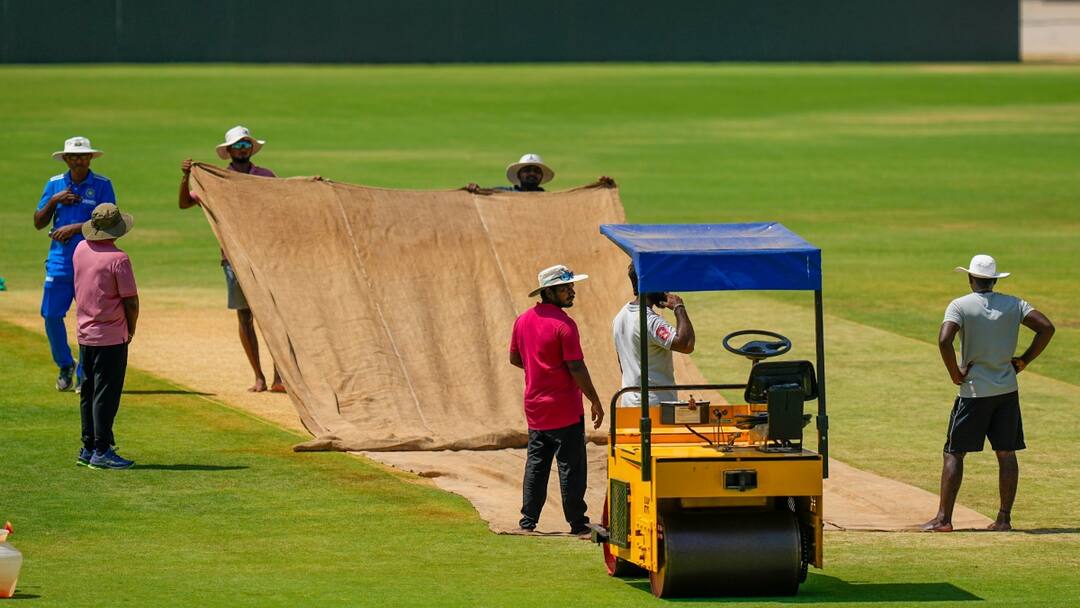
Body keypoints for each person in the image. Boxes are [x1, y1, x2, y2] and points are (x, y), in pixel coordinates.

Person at [923, 255, 1054, 532]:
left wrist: (954, 373)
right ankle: (1004, 519)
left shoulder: (959, 305)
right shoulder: (1015, 304)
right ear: (994, 280)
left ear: (970, 279)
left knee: (954, 453)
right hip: (1007, 390)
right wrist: (1025, 360)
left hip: (973, 392)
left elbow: (945, 339)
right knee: (1006, 453)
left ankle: (944, 520)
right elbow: (1046, 327)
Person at [179, 126, 285, 393]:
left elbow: (284, 204)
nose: (242, 149)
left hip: (264, 256)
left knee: (273, 317)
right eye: (237, 146)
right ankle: (259, 376)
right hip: (232, 257)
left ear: (251, 148)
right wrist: (185, 177)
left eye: (246, 145)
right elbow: (184, 203)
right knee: (245, 316)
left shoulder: (265, 176)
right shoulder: (216, 179)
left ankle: (280, 378)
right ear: (228, 151)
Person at [509, 264, 605, 535]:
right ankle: (577, 523)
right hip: (565, 409)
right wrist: (595, 400)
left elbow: (515, 358)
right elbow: (576, 367)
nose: (572, 292)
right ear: (549, 292)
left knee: (536, 465)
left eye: (572, 287)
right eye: (566, 288)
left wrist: (540, 370)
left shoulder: (523, 320)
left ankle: (528, 522)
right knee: (571, 467)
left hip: (535, 408)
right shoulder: (565, 325)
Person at [33, 136, 117, 393]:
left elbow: (112, 222)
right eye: (74, 157)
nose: (79, 160)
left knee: (88, 318)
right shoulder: (54, 184)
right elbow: (38, 222)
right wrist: (54, 201)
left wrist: (75, 227)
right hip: (60, 260)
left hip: (92, 261)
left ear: (90, 158)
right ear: (66, 159)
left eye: (83, 156)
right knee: (51, 315)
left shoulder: (102, 185)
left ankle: (84, 374)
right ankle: (65, 365)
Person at [72, 203, 139, 469]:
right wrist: (131, 328)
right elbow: (131, 302)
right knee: (106, 395)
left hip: (84, 333)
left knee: (88, 391)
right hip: (111, 335)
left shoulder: (80, 249)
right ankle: (102, 451)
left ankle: (87, 447)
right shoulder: (118, 259)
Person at [612, 263, 695, 406]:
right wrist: (678, 307)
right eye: (661, 283)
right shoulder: (650, 321)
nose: (666, 289)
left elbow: (622, 363)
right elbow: (686, 345)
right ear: (649, 284)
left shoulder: (619, 316)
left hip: (628, 403)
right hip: (654, 407)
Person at [466, 153, 615, 193]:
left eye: (536, 171)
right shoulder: (501, 194)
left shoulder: (548, 199)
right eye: (527, 170)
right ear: (518, 175)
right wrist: (475, 190)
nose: (531, 174)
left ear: (541, 176)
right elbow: (483, 195)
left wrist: (602, 188)